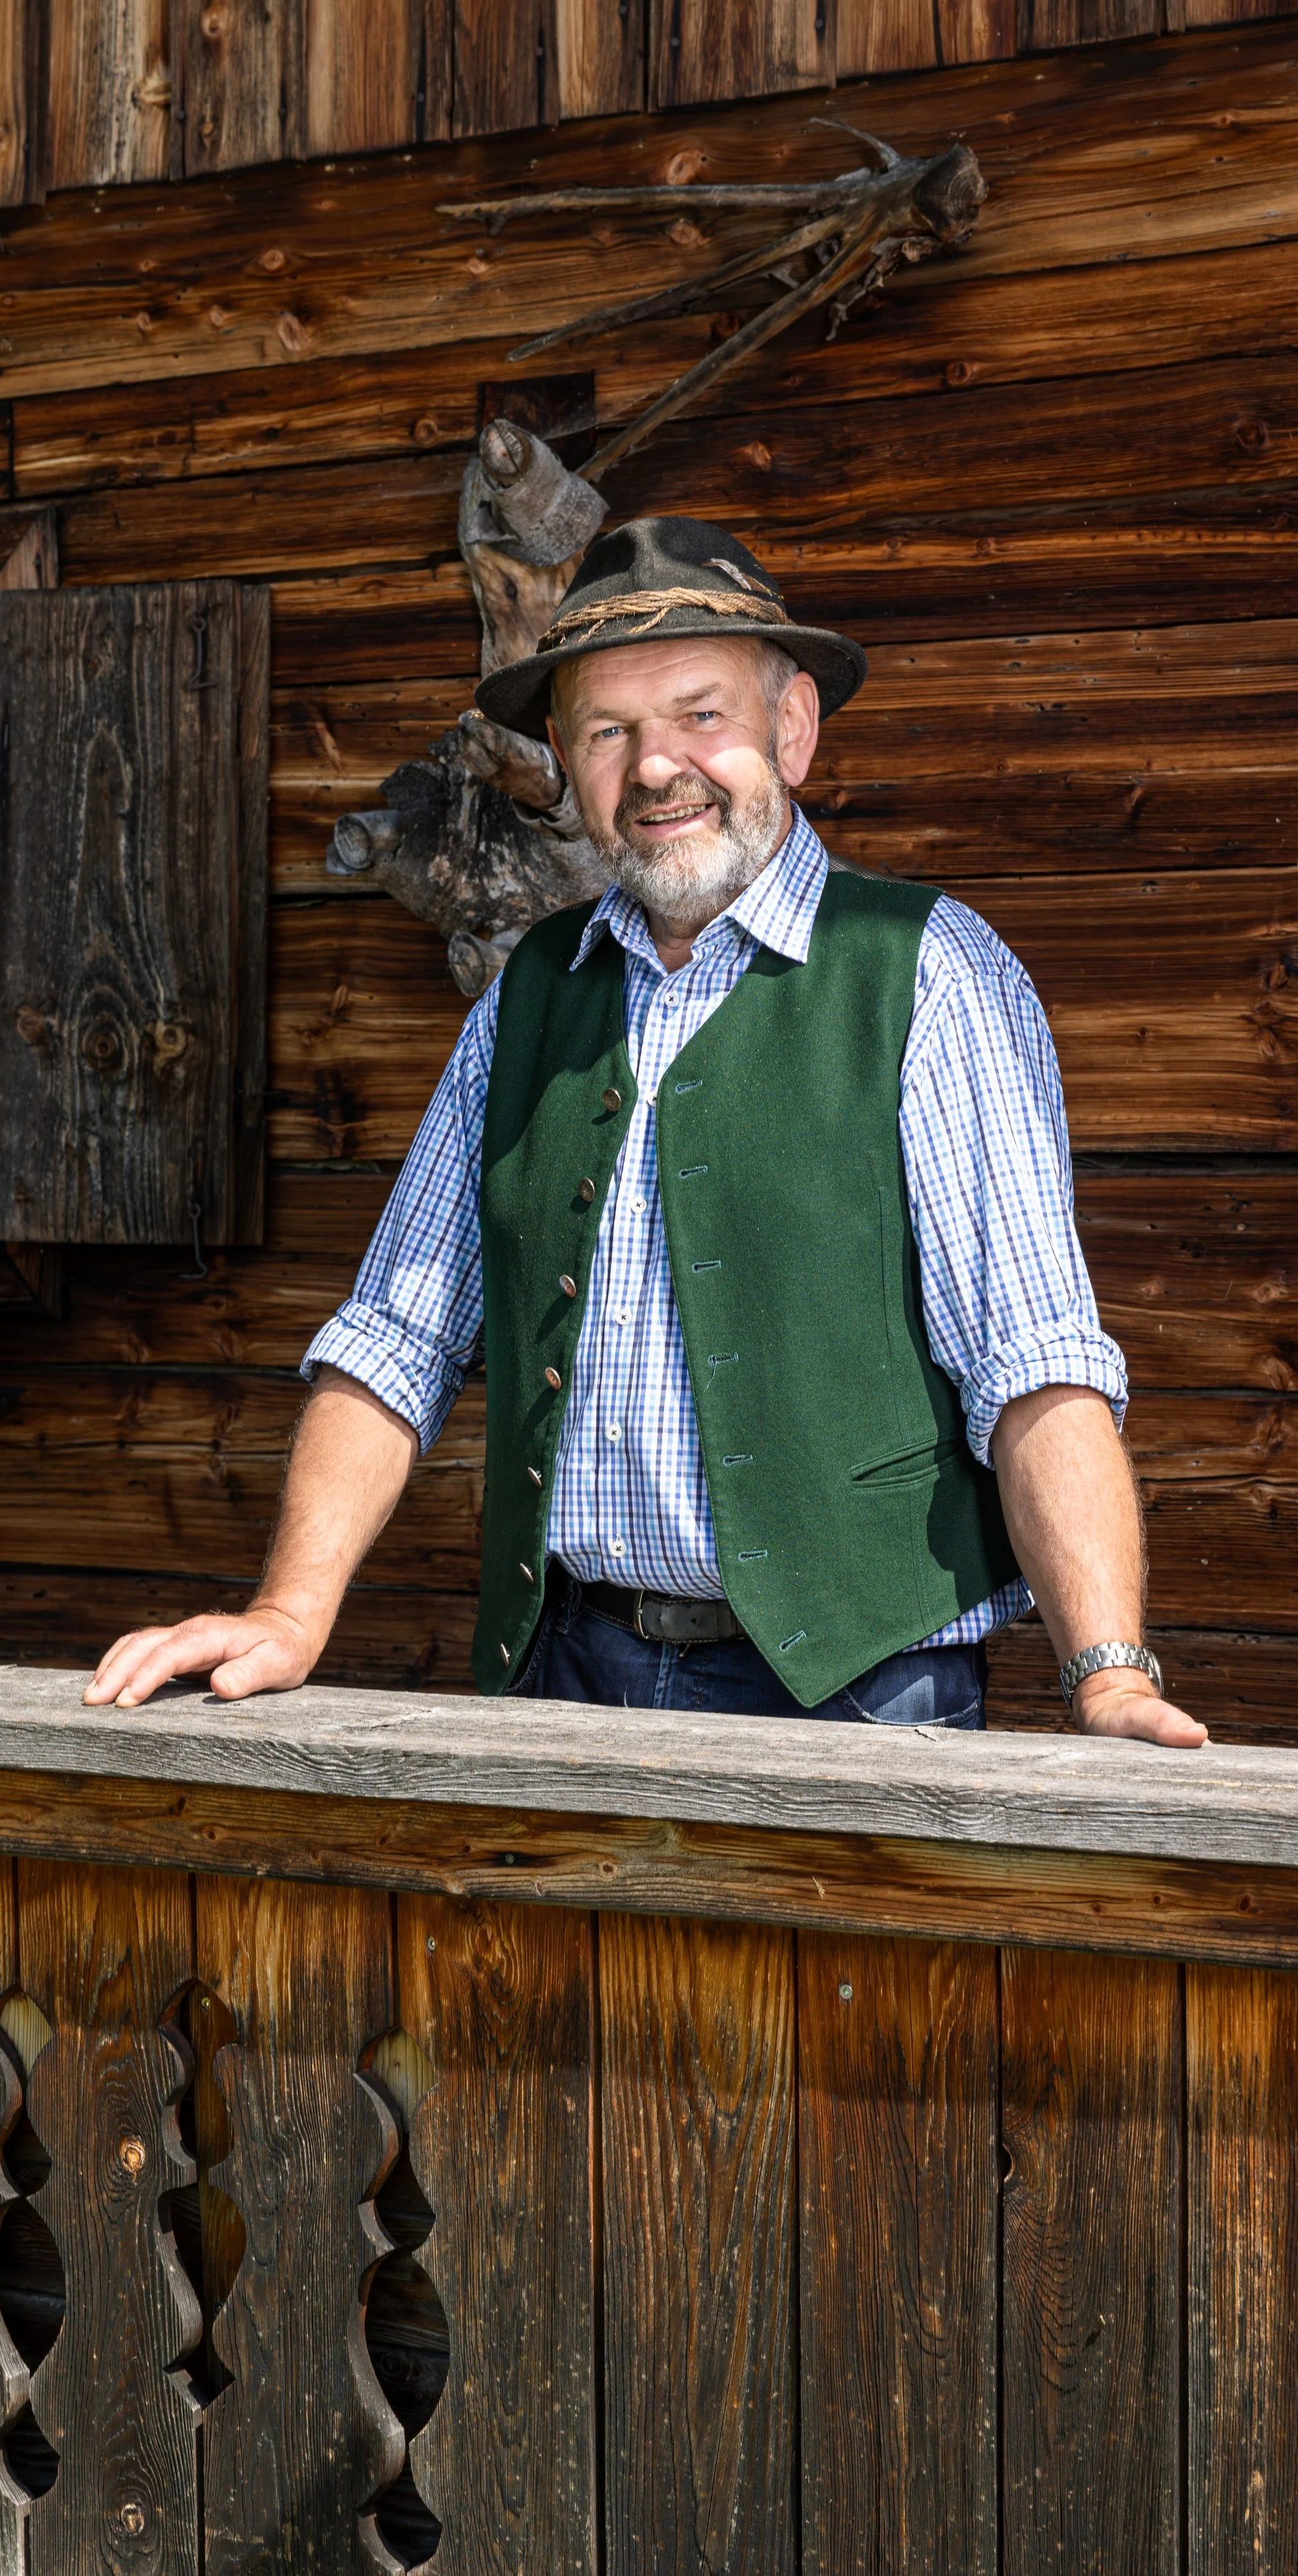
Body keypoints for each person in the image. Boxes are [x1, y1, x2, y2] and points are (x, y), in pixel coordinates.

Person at [88, 516, 1206, 1748]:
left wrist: (1107, 1671)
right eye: (608, 732)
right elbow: (397, 1339)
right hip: (564, 1667)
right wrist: (290, 1609)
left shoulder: (926, 971)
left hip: (862, 1692)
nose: (657, 766)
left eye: (699, 715)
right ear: (569, 765)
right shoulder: (530, 996)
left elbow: (1032, 1359)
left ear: (792, 729)